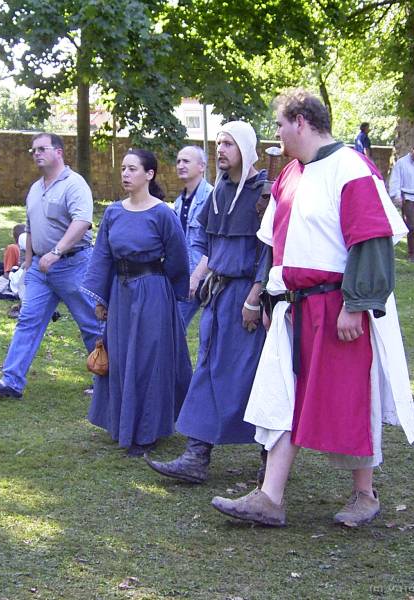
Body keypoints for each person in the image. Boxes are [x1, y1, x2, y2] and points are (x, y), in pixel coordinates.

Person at [210, 88, 414, 528]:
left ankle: (365, 494)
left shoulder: (351, 168)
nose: (278, 134)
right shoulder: (290, 174)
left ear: (300, 122)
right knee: (283, 396)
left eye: (280, 125)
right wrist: (270, 296)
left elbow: (371, 240)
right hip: (294, 308)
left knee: (351, 398)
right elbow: (275, 243)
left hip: (339, 306)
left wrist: (355, 305)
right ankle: (270, 497)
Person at [145, 121, 269, 483]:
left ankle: (272, 460)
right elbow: (202, 240)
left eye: (229, 143)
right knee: (208, 371)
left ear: (245, 148)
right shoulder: (218, 194)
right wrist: (200, 272)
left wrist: (255, 297)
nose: (221, 149)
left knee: (254, 376)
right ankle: (196, 456)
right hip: (218, 297)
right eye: (219, 142)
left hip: (249, 300)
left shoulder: (265, 193)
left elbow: (271, 251)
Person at [81, 149, 192, 456]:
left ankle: (147, 431)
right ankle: (123, 423)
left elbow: (178, 258)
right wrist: (101, 298)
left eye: (132, 169)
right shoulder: (113, 213)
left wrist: (168, 296)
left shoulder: (163, 214)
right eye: (123, 169)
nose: (125, 174)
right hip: (120, 292)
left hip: (153, 292)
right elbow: (102, 255)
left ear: (149, 174)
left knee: (148, 360)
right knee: (122, 357)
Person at [0, 133, 99, 400]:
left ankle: (106, 382)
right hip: (39, 268)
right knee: (28, 321)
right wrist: (27, 262)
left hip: (74, 265)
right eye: (33, 150)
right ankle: (11, 382)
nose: (36, 154)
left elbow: (82, 222)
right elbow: (30, 226)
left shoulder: (74, 184)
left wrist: (57, 252)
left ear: (58, 152)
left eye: (42, 149)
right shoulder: (35, 188)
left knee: (91, 324)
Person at [173, 145, 214, 329]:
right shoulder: (179, 202)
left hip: (205, 279)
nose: (180, 165)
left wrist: (196, 277)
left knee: (174, 327)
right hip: (185, 277)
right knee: (172, 327)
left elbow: (214, 245)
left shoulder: (212, 197)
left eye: (186, 161)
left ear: (202, 166)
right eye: (178, 161)